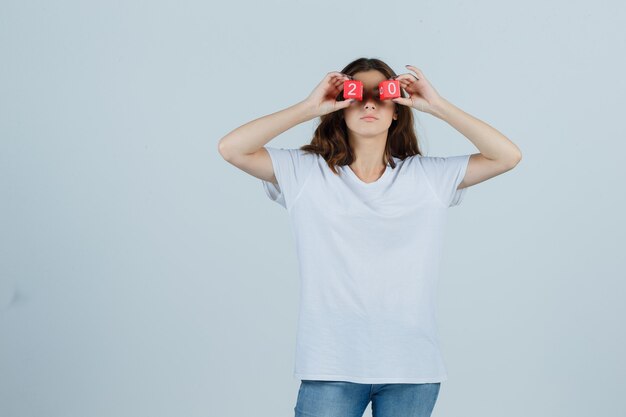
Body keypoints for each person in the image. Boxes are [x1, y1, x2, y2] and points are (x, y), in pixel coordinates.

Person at [218, 57, 522, 417]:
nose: (369, 103)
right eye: (357, 95)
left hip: (411, 368)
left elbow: (507, 156)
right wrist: (309, 107)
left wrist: (436, 106)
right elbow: (231, 148)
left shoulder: (427, 178)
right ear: (341, 108)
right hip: (330, 365)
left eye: (382, 94)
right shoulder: (305, 172)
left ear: (397, 109)